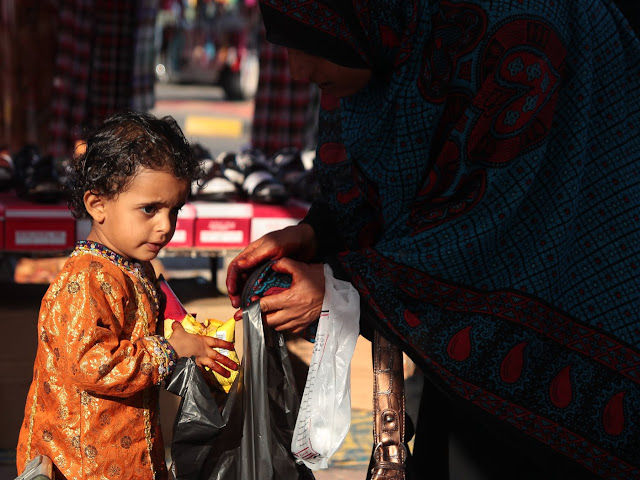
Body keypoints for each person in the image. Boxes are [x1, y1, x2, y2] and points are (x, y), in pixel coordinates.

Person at [226, 0, 640, 478]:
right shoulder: (404, 36)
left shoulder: (515, 33)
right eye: (285, 44)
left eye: (311, 44)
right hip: (473, 383)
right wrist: (318, 232)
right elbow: (388, 186)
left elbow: (484, 238)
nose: (298, 70)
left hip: (573, 362)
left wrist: (339, 288)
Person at [16, 111, 238, 480]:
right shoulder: (85, 280)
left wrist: (184, 335)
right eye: (149, 209)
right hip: (82, 465)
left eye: (174, 210)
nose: (165, 226)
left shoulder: (135, 267)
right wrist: (170, 349)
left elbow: (142, 329)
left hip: (127, 452)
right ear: (97, 205)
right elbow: (94, 366)